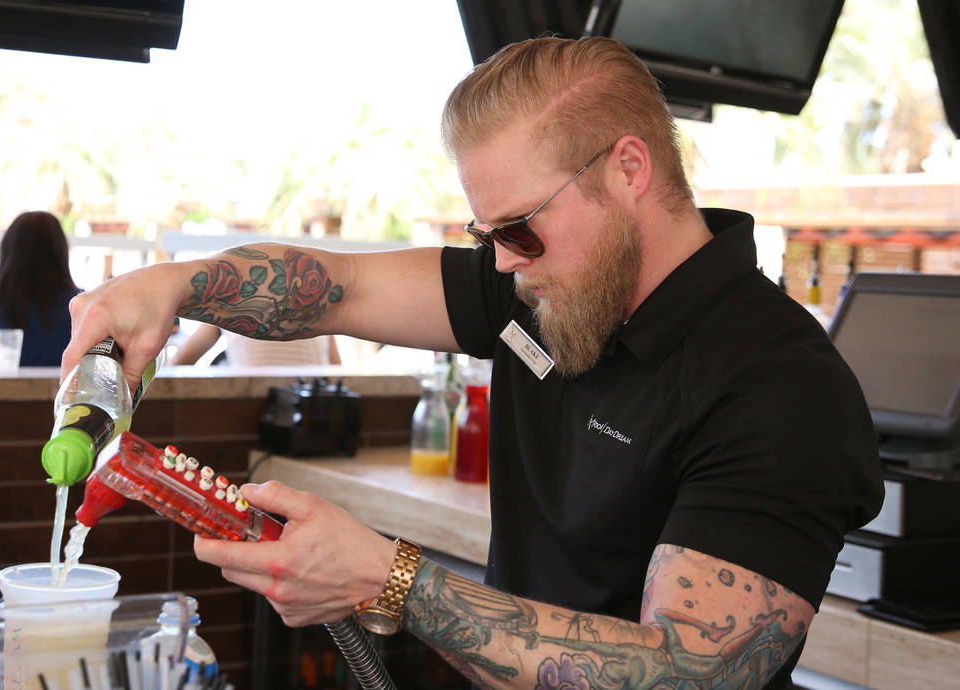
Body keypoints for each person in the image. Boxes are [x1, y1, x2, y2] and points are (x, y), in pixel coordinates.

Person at [61, 37, 883, 689]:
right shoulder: (544, 286)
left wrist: (389, 578)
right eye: (485, 235)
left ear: (629, 169)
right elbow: (336, 287)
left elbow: (684, 671)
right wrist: (171, 287)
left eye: (518, 229)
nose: (497, 263)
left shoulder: (783, 388)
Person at [0, 211, 81, 368]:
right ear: (60, 251)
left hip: (9, 393)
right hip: (66, 392)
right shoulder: (82, 307)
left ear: (8, 251)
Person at [170, 321, 341, 367]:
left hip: (251, 406)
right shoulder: (319, 303)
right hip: (315, 408)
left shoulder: (229, 299)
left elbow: (180, 362)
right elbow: (337, 370)